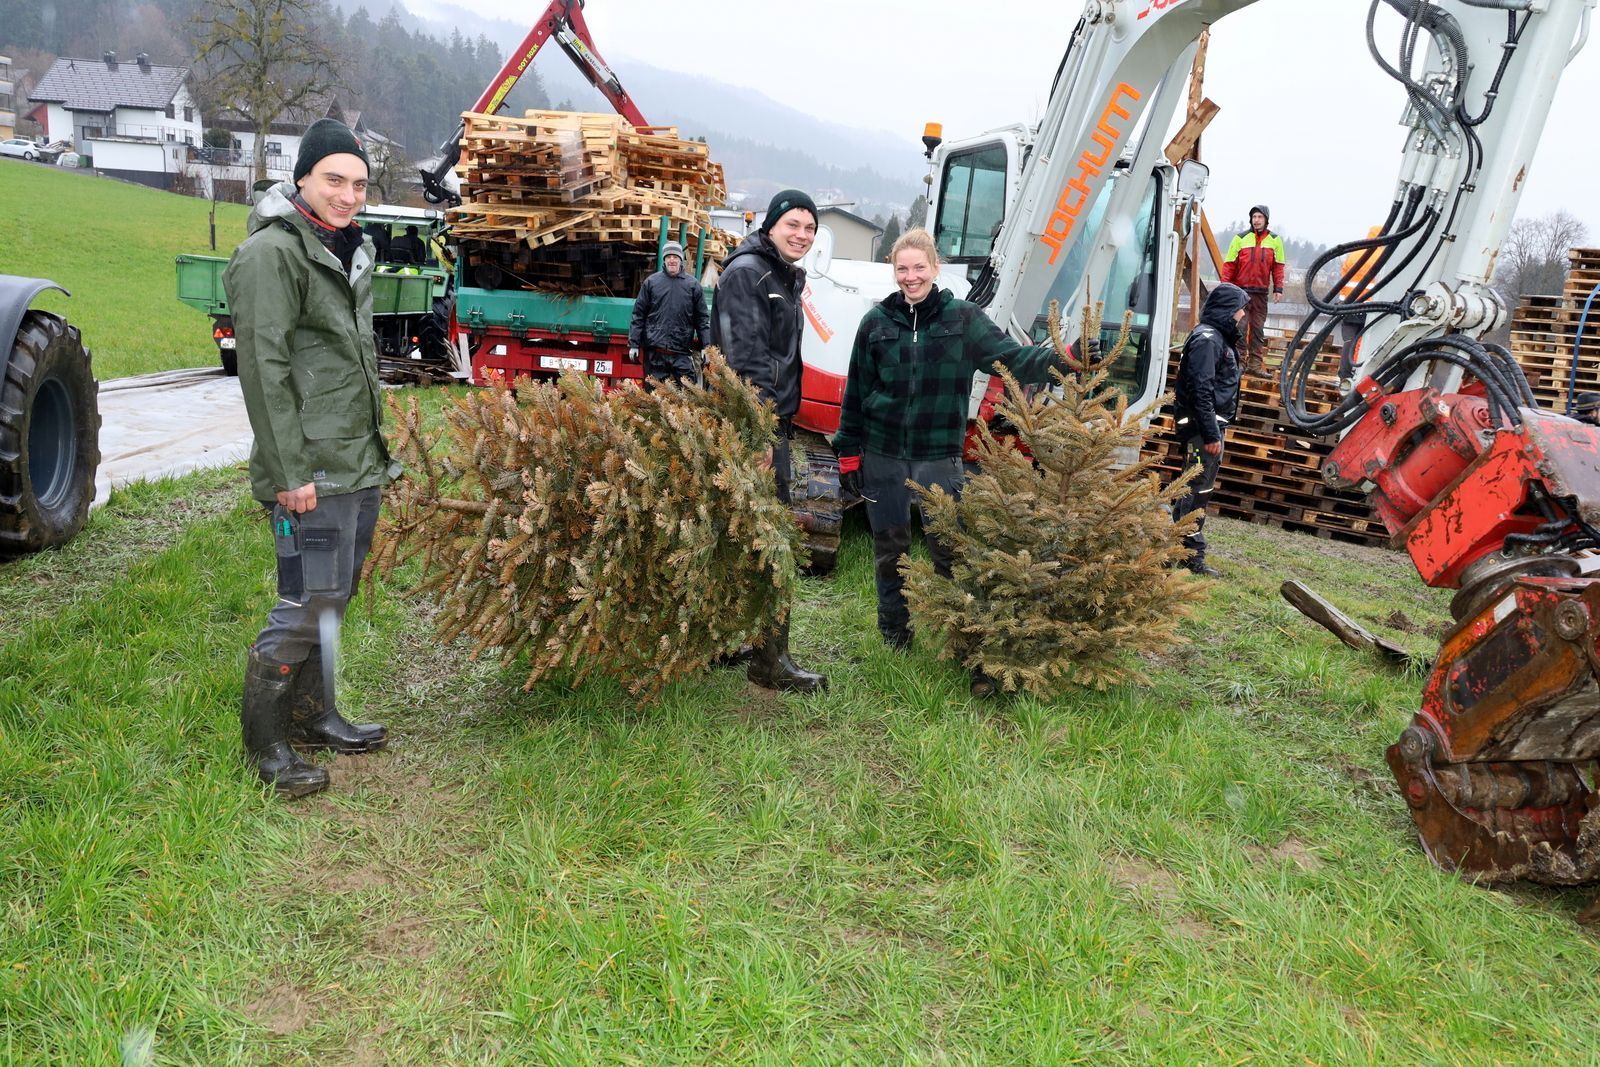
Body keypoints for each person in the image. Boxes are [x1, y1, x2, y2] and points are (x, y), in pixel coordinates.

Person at [223, 118, 403, 798]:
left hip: (354, 460)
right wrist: (291, 470)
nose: (348, 194)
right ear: (301, 178)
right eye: (334, 179)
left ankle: (315, 713)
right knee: (307, 598)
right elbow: (264, 371)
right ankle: (267, 748)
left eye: (358, 183)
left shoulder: (344, 249)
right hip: (310, 470)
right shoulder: (275, 255)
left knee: (335, 594)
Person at [832, 227, 1071, 697]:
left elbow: (1011, 357)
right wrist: (849, 452)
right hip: (883, 455)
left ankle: (963, 643)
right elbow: (856, 391)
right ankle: (895, 637)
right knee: (889, 550)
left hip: (937, 456)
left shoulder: (963, 319)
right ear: (894, 271)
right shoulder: (876, 322)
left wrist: (1063, 359)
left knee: (949, 553)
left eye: (919, 267)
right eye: (902, 268)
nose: (910, 276)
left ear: (935, 269)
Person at [712, 188, 828, 693]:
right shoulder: (749, 274)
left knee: (739, 533)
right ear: (771, 225)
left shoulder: (778, 272)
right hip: (753, 424)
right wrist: (758, 431)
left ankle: (729, 638)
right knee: (772, 537)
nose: (801, 235)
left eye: (809, 228)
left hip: (764, 421)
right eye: (793, 225)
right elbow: (745, 359)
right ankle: (770, 660)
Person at [1170, 282, 1251, 578]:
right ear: (1228, 310)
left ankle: (1179, 548)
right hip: (1204, 430)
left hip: (1210, 427)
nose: (1243, 314)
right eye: (1240, 308)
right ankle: (1186, 554)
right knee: (1196, 487)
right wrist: (1210, 433)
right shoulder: (1208, 340)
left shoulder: (1217, 338)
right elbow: (1200, 389)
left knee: (1197, 487)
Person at [629, 240, 710, 385]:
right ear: (664, 259)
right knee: (653, 399)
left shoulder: (693, 285)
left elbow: (702, 319)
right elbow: (638, 315)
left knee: (688, 395)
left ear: (680, 259)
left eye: (675, 256)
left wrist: (706, 346)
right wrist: (633, 344)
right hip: (655, 355)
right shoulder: (651, 283)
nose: (672, 260)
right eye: (668, 257)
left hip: (682, 353)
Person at [1220, 205, 1286, 380]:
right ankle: (1239, 363)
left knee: (1258, 329)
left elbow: (1278, 267)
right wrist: (1225, 287)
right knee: (1240, 328)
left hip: (1261, 294)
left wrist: (1278, 288)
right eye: (1254, 217)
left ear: (1266, 219)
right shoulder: (1240, 238)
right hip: (1241, 292)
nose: (1256, 220)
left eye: (1259, 217)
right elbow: (1229, 265)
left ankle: (1255, 365)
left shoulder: (1275, 240)